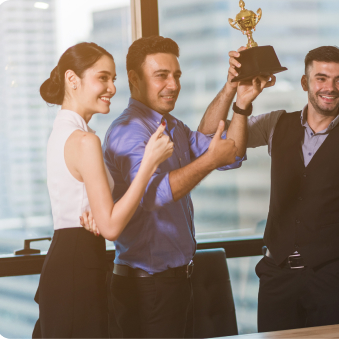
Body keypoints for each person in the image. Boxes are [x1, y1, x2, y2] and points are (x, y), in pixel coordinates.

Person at [197, 46, 339, 331]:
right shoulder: (275, 123)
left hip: (331, 280)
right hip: (276, 277)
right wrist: (233, 90)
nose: (330, 87)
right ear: (305, 83)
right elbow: (207, 137)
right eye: (321, 78)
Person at [102, 36, 273, 338]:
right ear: (134, 79)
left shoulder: (171, 125)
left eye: (177, 75)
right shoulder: (128, 132)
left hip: (174, 282)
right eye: (161, 76)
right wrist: (209, 161)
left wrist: (238, 97)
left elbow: (225, 150)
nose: (173, 84)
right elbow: (154, 195)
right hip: (147, 287)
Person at [32, 42, 174, 338]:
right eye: (103, 78)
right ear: (72, 80)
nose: (111, 88)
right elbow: (110, 227)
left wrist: (101, 212)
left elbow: (100, 215)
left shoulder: (65, 133)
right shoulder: (85, 141)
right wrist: (149, 161)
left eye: (113, 79)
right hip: (78, 268)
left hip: (74, 261)